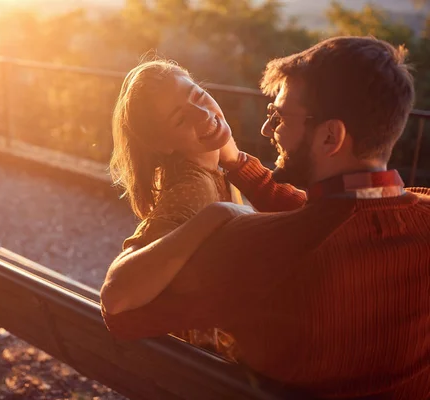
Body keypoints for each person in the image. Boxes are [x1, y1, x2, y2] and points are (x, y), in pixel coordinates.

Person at [101, 36, 430, 399]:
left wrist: (220, 213)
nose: (266, 130)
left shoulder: (256, 249)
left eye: (280, 117)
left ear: (330, 137)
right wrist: (238, 163)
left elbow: (120, 308)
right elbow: (337, 213)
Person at [108, 59, 251, 360]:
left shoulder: (206, 169)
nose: (203, 113)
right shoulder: (194, 188)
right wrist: (222, 213)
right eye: (180, 120)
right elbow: (116, 294)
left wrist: (228, 151)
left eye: (199, 95)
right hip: (219, 371)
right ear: (162, 144)